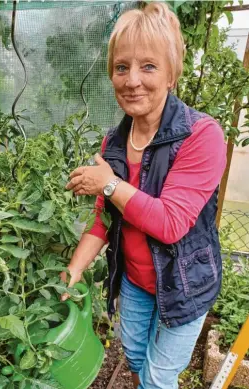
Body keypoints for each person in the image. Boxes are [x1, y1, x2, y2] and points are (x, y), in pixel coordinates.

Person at [62, 2, 227, 389]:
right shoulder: (115, 141)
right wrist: (74, 269)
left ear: (171, 75)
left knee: (157, 375)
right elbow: (104, 216)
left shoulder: (201, 136)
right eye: (122, 67)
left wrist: (109, 183)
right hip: (135, 280)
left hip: (185, 284)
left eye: (148, 66)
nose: (132, 80)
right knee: (134, 356)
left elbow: (169, 224)